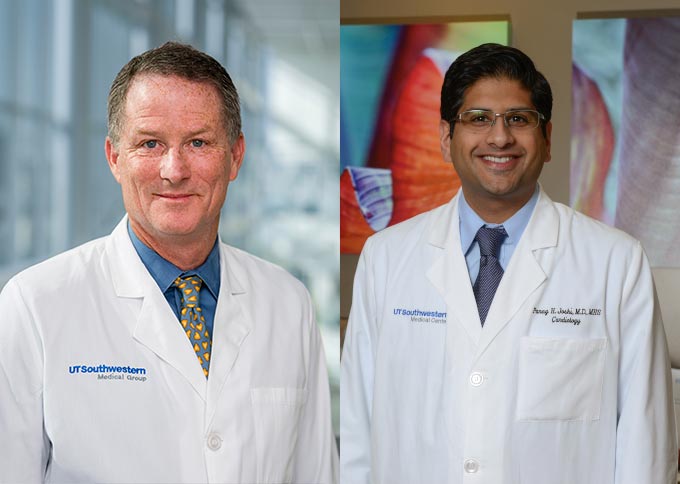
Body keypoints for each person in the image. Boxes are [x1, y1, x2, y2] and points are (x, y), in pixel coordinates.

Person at [0, 42, 337, 484]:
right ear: (115, 158)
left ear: (235, 156)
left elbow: (315, 474)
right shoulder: (35, 305)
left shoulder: (288, 303)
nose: (173, 170)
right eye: (150, 143)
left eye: (198, 142)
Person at [340, 43, 676, 484]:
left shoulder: (616, 263)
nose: (499, 137)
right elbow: (357, 436)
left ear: (548, 139)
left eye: (519, 119)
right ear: (446, 138)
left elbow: (645, 450)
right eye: (478, 119)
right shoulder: (386, 258)